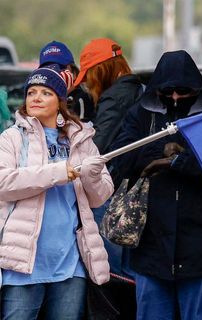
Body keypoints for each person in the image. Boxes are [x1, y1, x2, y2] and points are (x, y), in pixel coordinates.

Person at [111, 50, 202, 320]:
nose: (175, 97)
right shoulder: (141, 114)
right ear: (157, 90)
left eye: (183, 91)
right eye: (168, 91)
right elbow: (121, 157)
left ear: (197, 90)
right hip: (151, 246)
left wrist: (176, 161)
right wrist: (163, 151)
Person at [0, 64, 114, 319]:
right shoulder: (12, 138)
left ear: (60, 101)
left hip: (70, 265)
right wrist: (58, 172)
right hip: (22, 265)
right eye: (32, 92)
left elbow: (100, 197)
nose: (36, 98)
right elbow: (3, 184)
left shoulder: (81, 139)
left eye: (45, 92)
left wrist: (91, 175)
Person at [74, 37, 143, 320]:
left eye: (89, 75)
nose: (89, 84)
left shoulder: (116, 97)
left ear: (101, 69)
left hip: (112, 194)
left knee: (112, 271)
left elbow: (96, 149)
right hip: (131, 193)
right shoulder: (139, 90)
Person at [39, 40, 95, 122]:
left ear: (74, 73)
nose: (54, 74)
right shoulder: (37, 100)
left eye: (60, 68)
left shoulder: (81, 100)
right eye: (48, 69)